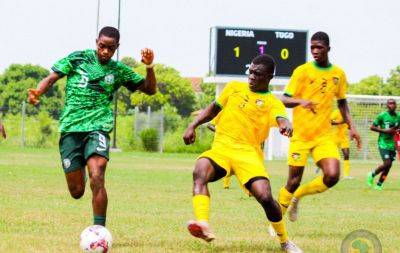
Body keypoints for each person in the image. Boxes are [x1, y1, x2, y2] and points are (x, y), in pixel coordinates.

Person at [27, 26, 156, 227]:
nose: (105, 51)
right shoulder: (78, 58)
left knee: (97, 174)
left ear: (117, 48)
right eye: (102, 46)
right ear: (96, 42)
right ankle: (82, 166)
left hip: (98, 126)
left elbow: (149, 89)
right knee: (77, 191)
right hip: (71, 128)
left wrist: (149, 67)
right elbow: (52, 77)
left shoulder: (118, 70)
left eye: (111, 48)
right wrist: (38, 91)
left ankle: (99, 231)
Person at [183, 54, 302, 253]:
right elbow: (212, 110)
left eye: (258, 74)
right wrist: (192, 125)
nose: (252, 77)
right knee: (199, 171)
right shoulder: (233, 88)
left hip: (248, 155)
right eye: (250, 72)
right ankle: (203, 224)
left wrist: (286, 124)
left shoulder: (272, 102)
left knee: (265, 197)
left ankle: (285, 241)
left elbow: (281, 117)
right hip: (221, 149)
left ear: (269, 77)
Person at [277, 31, 361, 223]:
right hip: (301, 137)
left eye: (319, 47)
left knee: (332, 175)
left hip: (324, 137)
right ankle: (277, 221)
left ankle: (298, 197)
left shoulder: (338, 74)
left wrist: (352, 127)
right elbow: (284, 99)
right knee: (292, 182)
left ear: (328, 49)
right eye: (312, 47)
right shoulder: (302, 71)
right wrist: (301, 101)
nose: (315, 51)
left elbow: (342, 103)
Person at [367, 99, 400, 190]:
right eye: (390, 103)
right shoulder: (382, 115)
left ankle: (379, 184)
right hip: (383, 143)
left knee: (389, 166)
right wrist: (385, 131)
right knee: (387, 163)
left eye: (393, 103)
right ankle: (372, 174)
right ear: (387, 105)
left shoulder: (399, 116)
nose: (392, 105)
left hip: (393, 144)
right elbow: (372, 127)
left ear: (396, 105)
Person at [330, 108, 352, 178]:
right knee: (331, 154)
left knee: (346, 154)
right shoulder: (336, 112)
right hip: (335, 136)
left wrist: (351, 132)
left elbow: (349, 126)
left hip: (344, 138)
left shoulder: (347, 114)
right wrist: (340, 122)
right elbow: (329, 121)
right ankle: (323, 167)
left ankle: (346, 174)